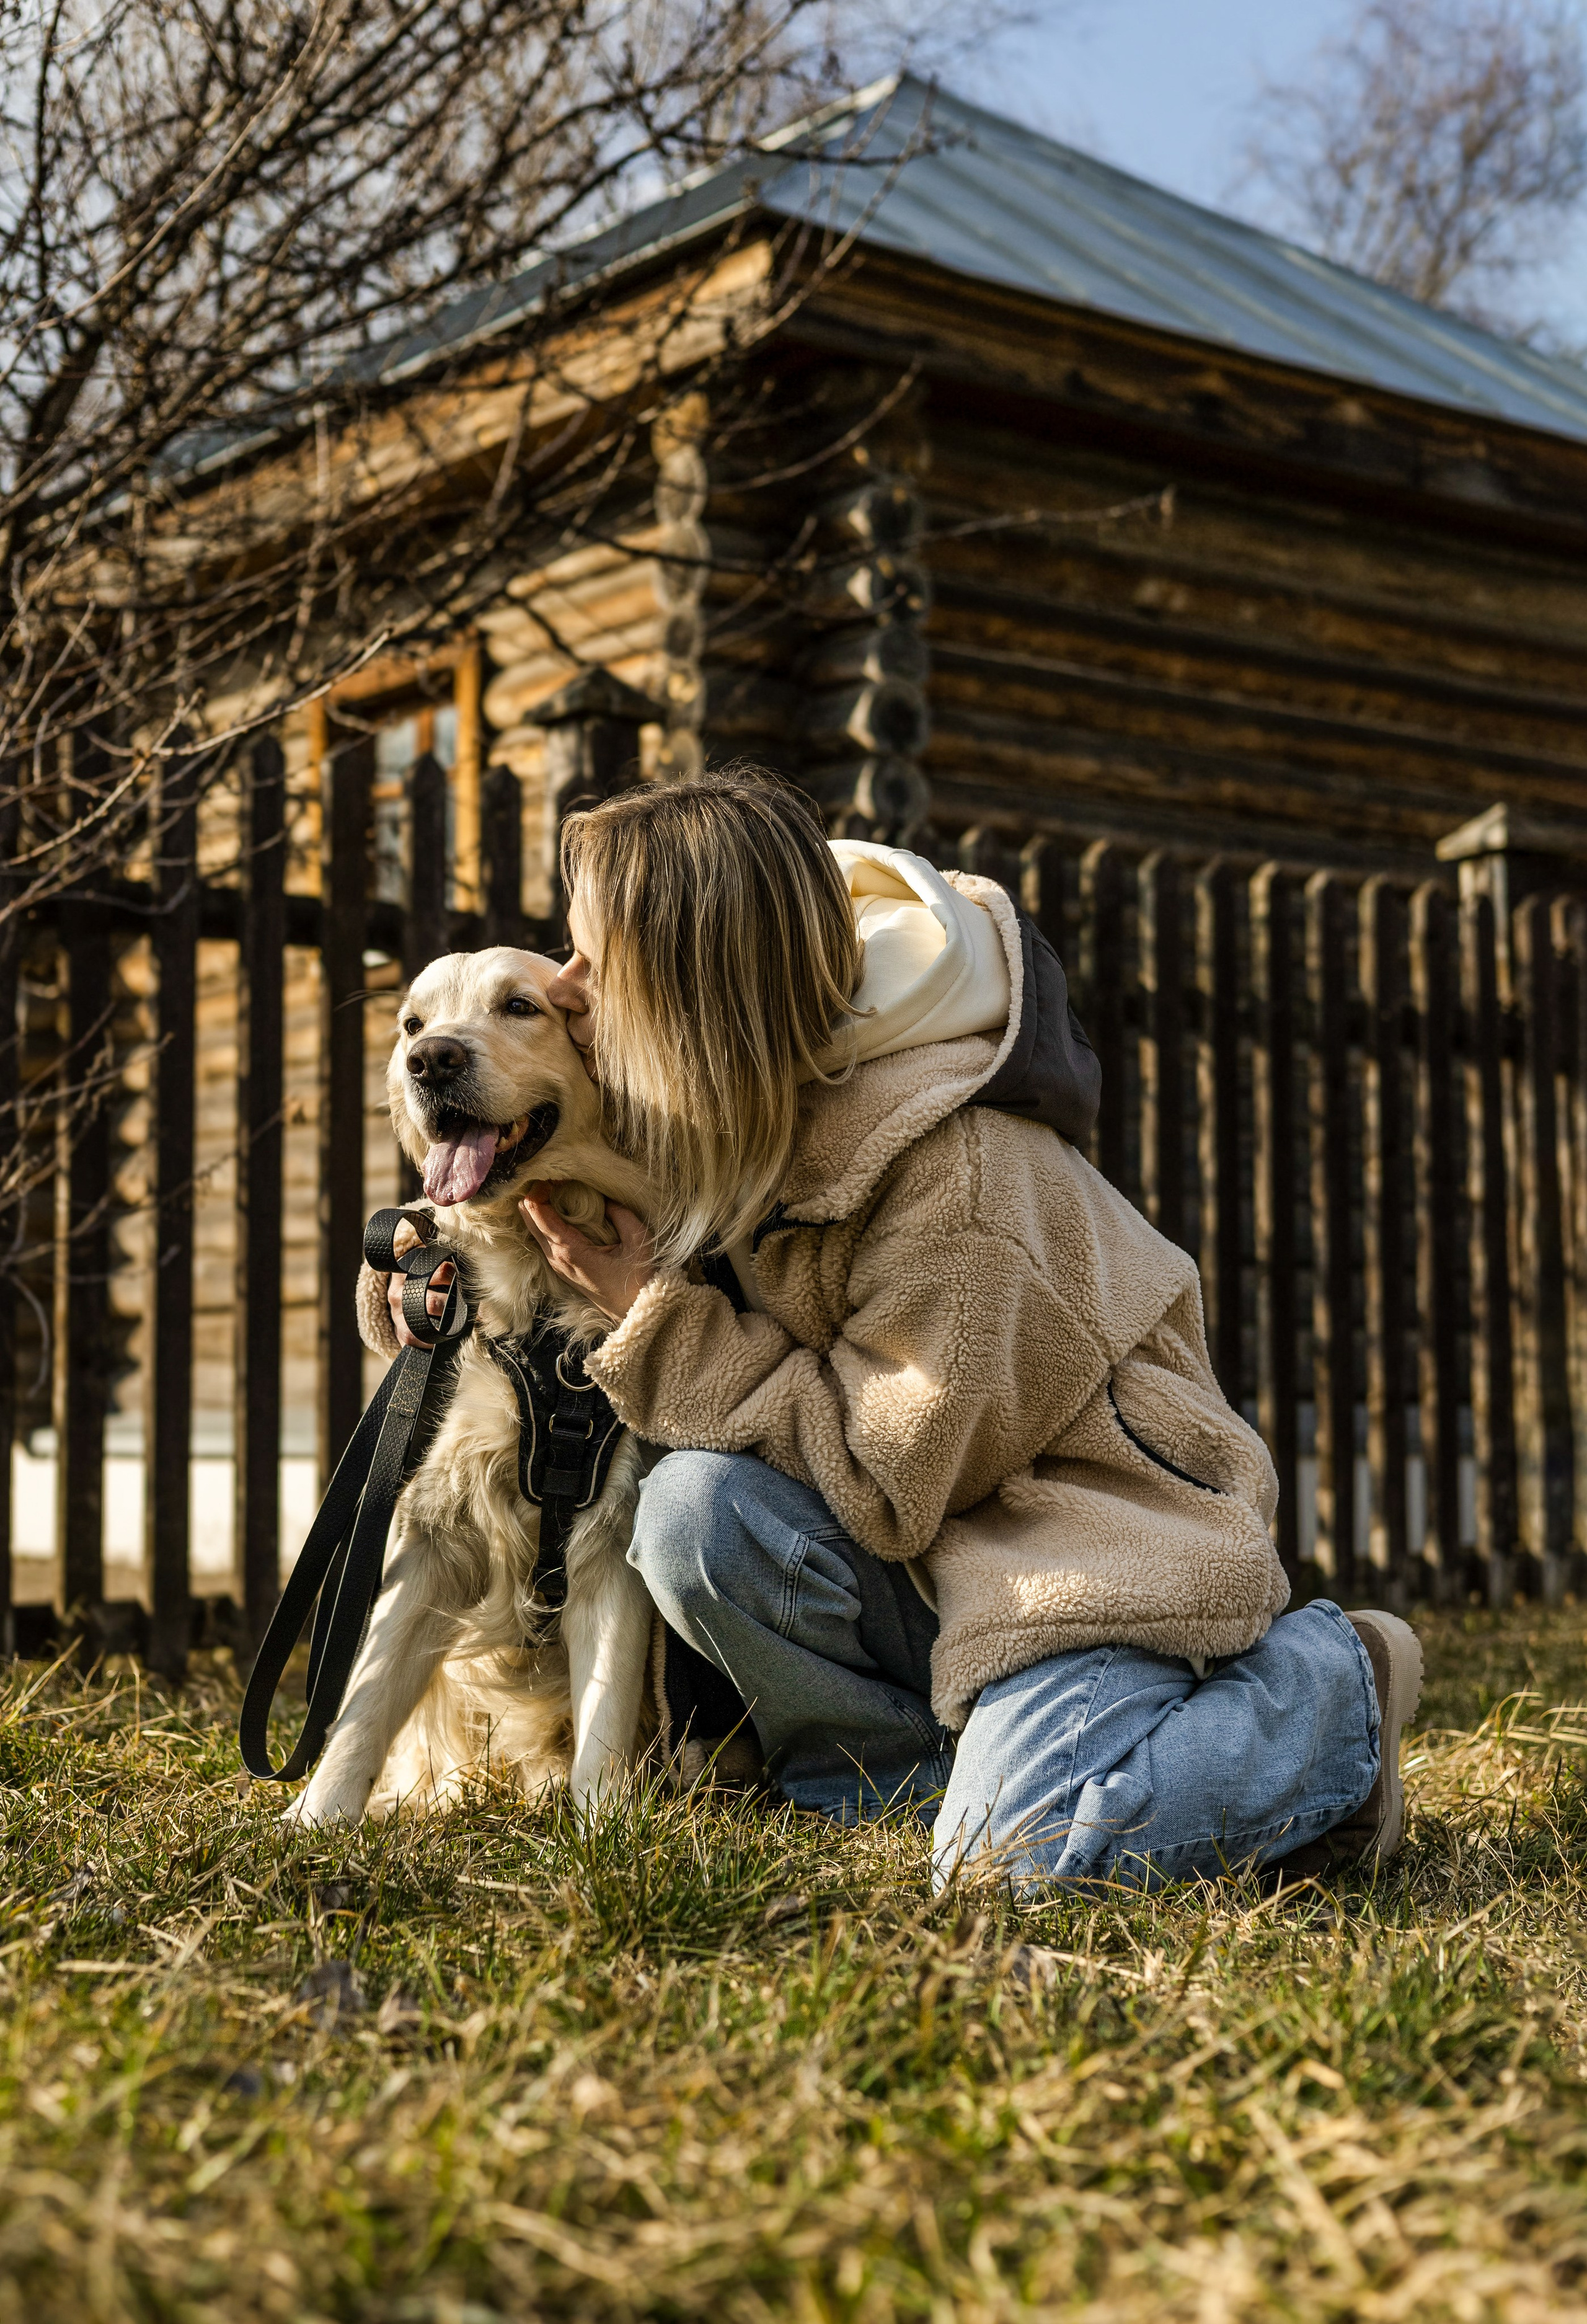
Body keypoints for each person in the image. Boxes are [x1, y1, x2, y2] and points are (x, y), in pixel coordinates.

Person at [368, 770, 1420, 1891]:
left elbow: (880, 1480)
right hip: (935, 1567)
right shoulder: (738, 1115)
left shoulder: (951, 1175)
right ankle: (880, 1779)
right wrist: (418, 1269)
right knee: (695, 1514)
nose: (567, 991)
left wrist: (653, 1318)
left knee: (1016, 1866)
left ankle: (1326, 1690)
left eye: (590, 961)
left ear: (694, 982)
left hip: (1083, 1565)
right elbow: (543, 1233)